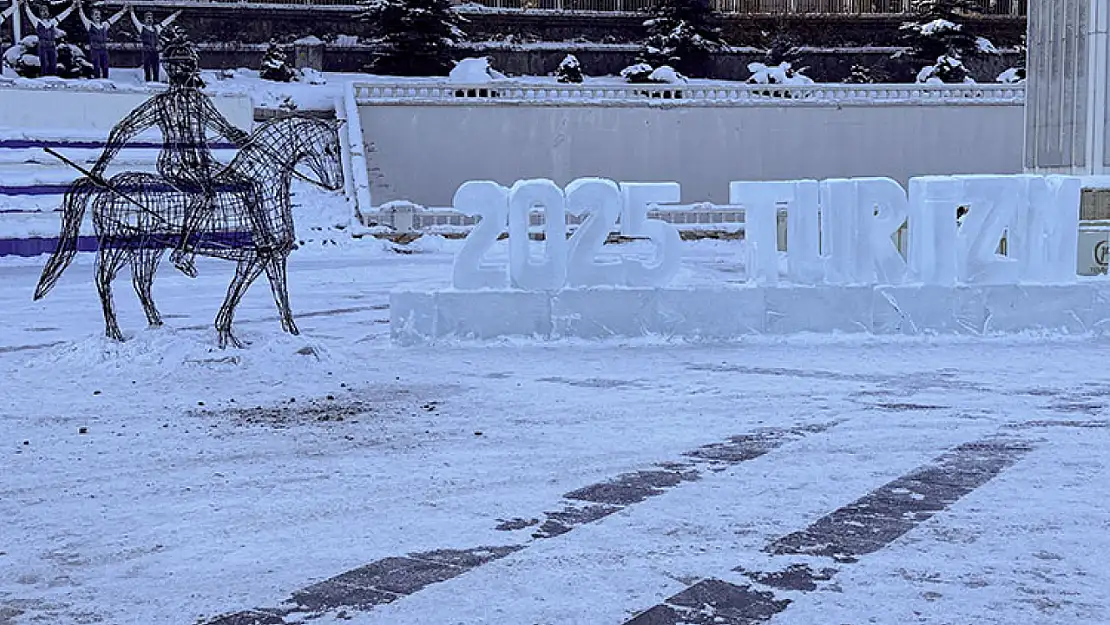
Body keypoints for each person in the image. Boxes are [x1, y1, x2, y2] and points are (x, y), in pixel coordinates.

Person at [88, 33, 252, 278]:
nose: (186, 71)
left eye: (188, 66)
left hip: (205, 163)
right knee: (205, 196)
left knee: (246, 184)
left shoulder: (199, 100)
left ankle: (250, 240)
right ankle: (184, 251)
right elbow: (124, 128)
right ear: (174, 69)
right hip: (176, 165)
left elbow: (223, 127)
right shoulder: (162, 103)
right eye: (182, 66)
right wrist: (100, 167)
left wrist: (241, 137)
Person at [24, 0, 75, 77]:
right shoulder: (37, 22)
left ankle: (53, 78)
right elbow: (29, 13)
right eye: (42, 11)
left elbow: (62, 16)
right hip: (42, 46)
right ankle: (44, 78)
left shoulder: (52, 22)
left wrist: (71, 8)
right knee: (45, 64)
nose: (44, 12)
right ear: (39, 13)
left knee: (53, 63)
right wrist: (26, 5)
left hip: (52, 46)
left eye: (46, 10)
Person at [78, 0, 126, 79]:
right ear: (92, 16)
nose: (98, 16)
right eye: (96, 15)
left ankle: (105, 80)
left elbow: (114, 18)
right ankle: (97, 80)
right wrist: (80, 8)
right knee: (96, 66)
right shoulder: (89, 25)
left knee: (105, 66)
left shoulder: (104, 25)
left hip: (103, 49)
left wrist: (123, 11)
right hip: (95, 50)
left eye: (99, 15)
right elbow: (82, 16)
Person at [129, 7, 178, 82]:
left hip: (155, 51)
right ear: (145, 19)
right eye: (147, 17)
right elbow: (135, 21)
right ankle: (148, 82)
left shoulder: (156, 28)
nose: (149, 19)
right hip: (146, 52)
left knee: (156, 69)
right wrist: (132, 12)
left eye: (150, 17)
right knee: (147, 68)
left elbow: (166, 22)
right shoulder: (141, 28)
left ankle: (156, 82)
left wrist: (175, 15)